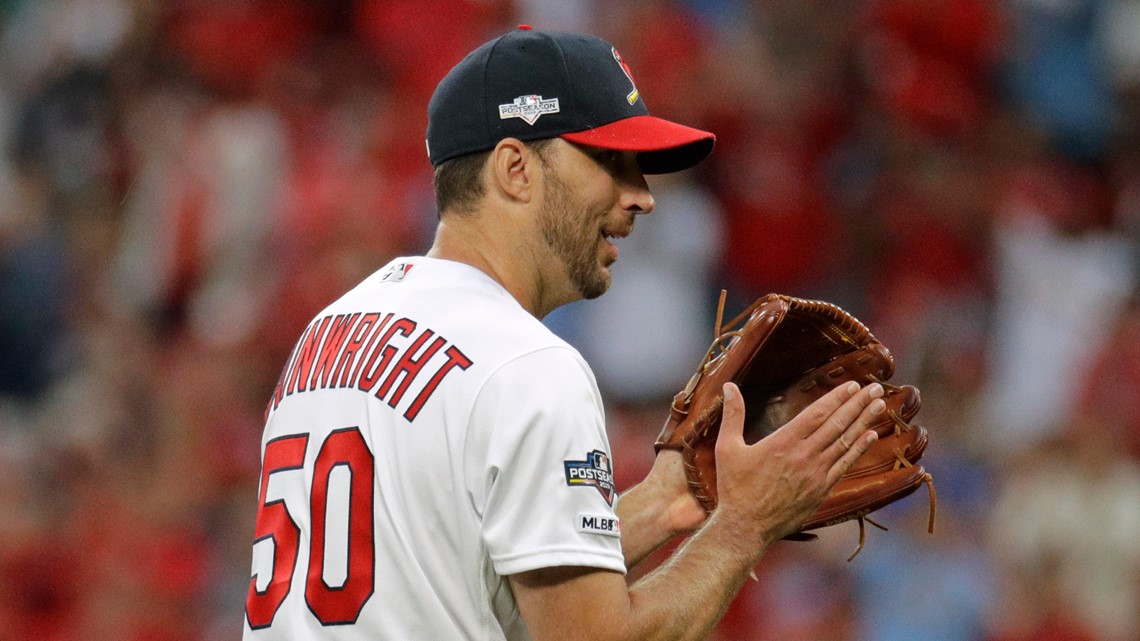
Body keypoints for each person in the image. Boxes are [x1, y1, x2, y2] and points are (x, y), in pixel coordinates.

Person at [241, 25, 884, 641]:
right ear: (516, 169)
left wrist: (665, 502)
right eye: (612, 162)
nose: (642, 195)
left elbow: (477, 577)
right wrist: (747, 525)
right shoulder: (526, 364)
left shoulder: (330, 331)